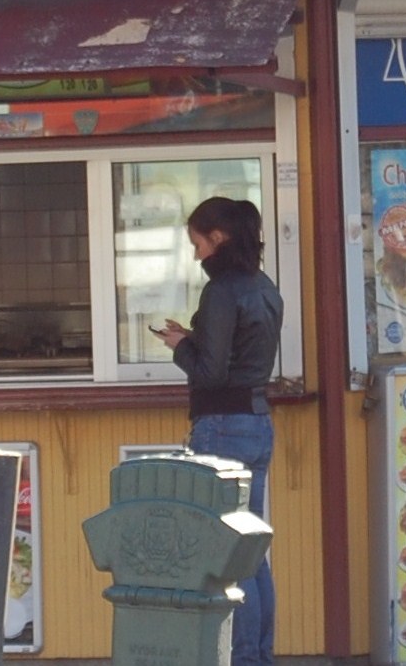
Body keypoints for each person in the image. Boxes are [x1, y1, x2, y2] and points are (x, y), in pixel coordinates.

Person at [156, 196, 283, 666]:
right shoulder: (264, 286)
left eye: (198, 244)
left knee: (229, 552)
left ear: (218, 237)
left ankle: (243, 658)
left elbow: (210, 374)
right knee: (250, 551)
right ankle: (260, 656)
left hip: (222, 428)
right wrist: (193, 339)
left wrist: (179, 346)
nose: (196, 255)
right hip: (256, 422)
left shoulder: (222, 290)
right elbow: (238, 356)